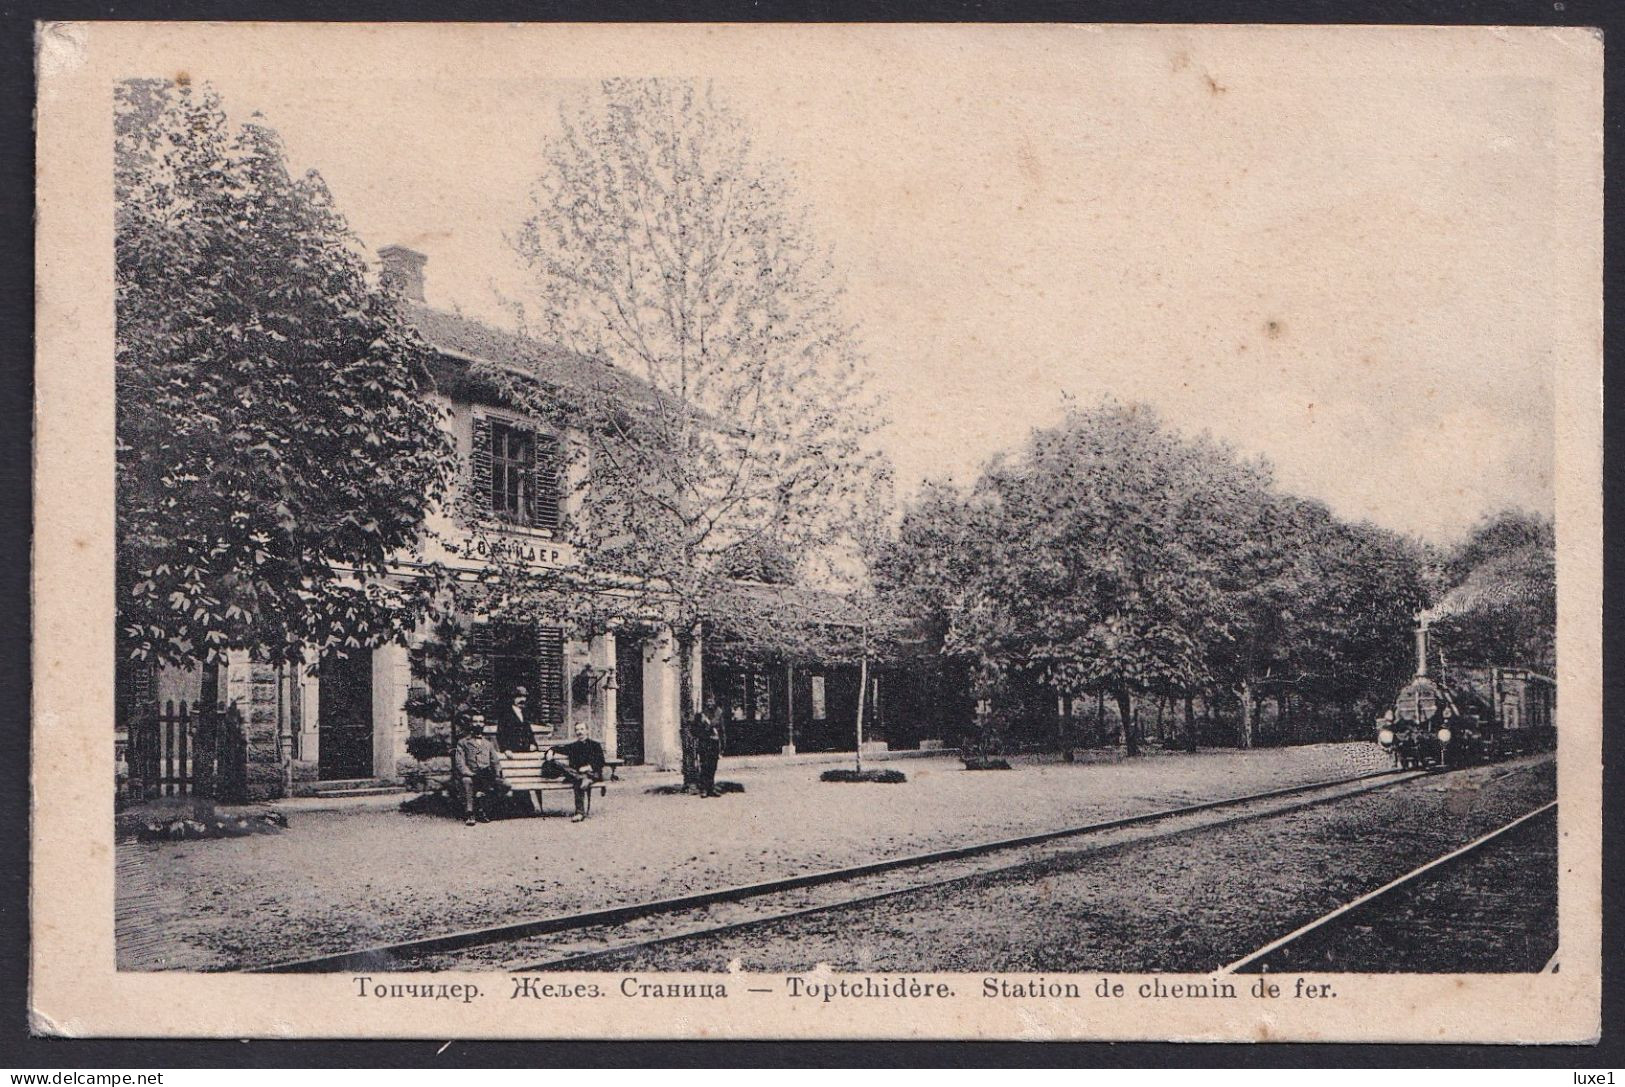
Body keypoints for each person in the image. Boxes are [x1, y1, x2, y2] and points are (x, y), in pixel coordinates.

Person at [543, 719, 606, 823]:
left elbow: (601, 762)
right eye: (577, 730)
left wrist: (588, 767)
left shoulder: (595, 745)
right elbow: (557, 748)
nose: (579, 732)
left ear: (587, 731)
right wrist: (550, 750)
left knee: (578, 780)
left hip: (592, 773)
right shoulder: (573, 746)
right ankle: (580, 810)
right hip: (577, 774)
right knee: (558, 765)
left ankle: (579, 813)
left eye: (582, 729)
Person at [451, 714, 504, 827]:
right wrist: (469, 773)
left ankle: (486, 809)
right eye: (475, 721)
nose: (478, 724)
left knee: (505, 785)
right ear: (471, 724)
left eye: (481, 721)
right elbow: (460, 762)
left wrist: (498, 773)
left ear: (484, 724)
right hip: (471, 774)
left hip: (486, 775)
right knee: (467, 781)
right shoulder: (463, 742)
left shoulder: (488, 743)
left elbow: (495, 761)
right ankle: (470, 813)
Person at [694, 693, 723, 798]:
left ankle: (711, 788)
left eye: (712, 701)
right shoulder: (701, 714)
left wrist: (722, 747)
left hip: (714, 744)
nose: (710, 703)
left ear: (714, 701)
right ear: (705, 702)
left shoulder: (718, 713)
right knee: (704, 766)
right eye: (708, 701)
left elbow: (722, 730)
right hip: (704, 743)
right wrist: (701, 724)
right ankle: (704, 789)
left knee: (713, 767)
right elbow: (695, 731)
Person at [496, 686, 536, 752]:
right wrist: (505, 749)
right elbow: (501, 734)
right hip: (512, 752)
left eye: (524, 697)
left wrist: (533, 744)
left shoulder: (525, 715)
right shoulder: (505, 715)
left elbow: (529, 733)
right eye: (519, 697)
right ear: (513, 698)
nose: (523, 699)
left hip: (526, 751)